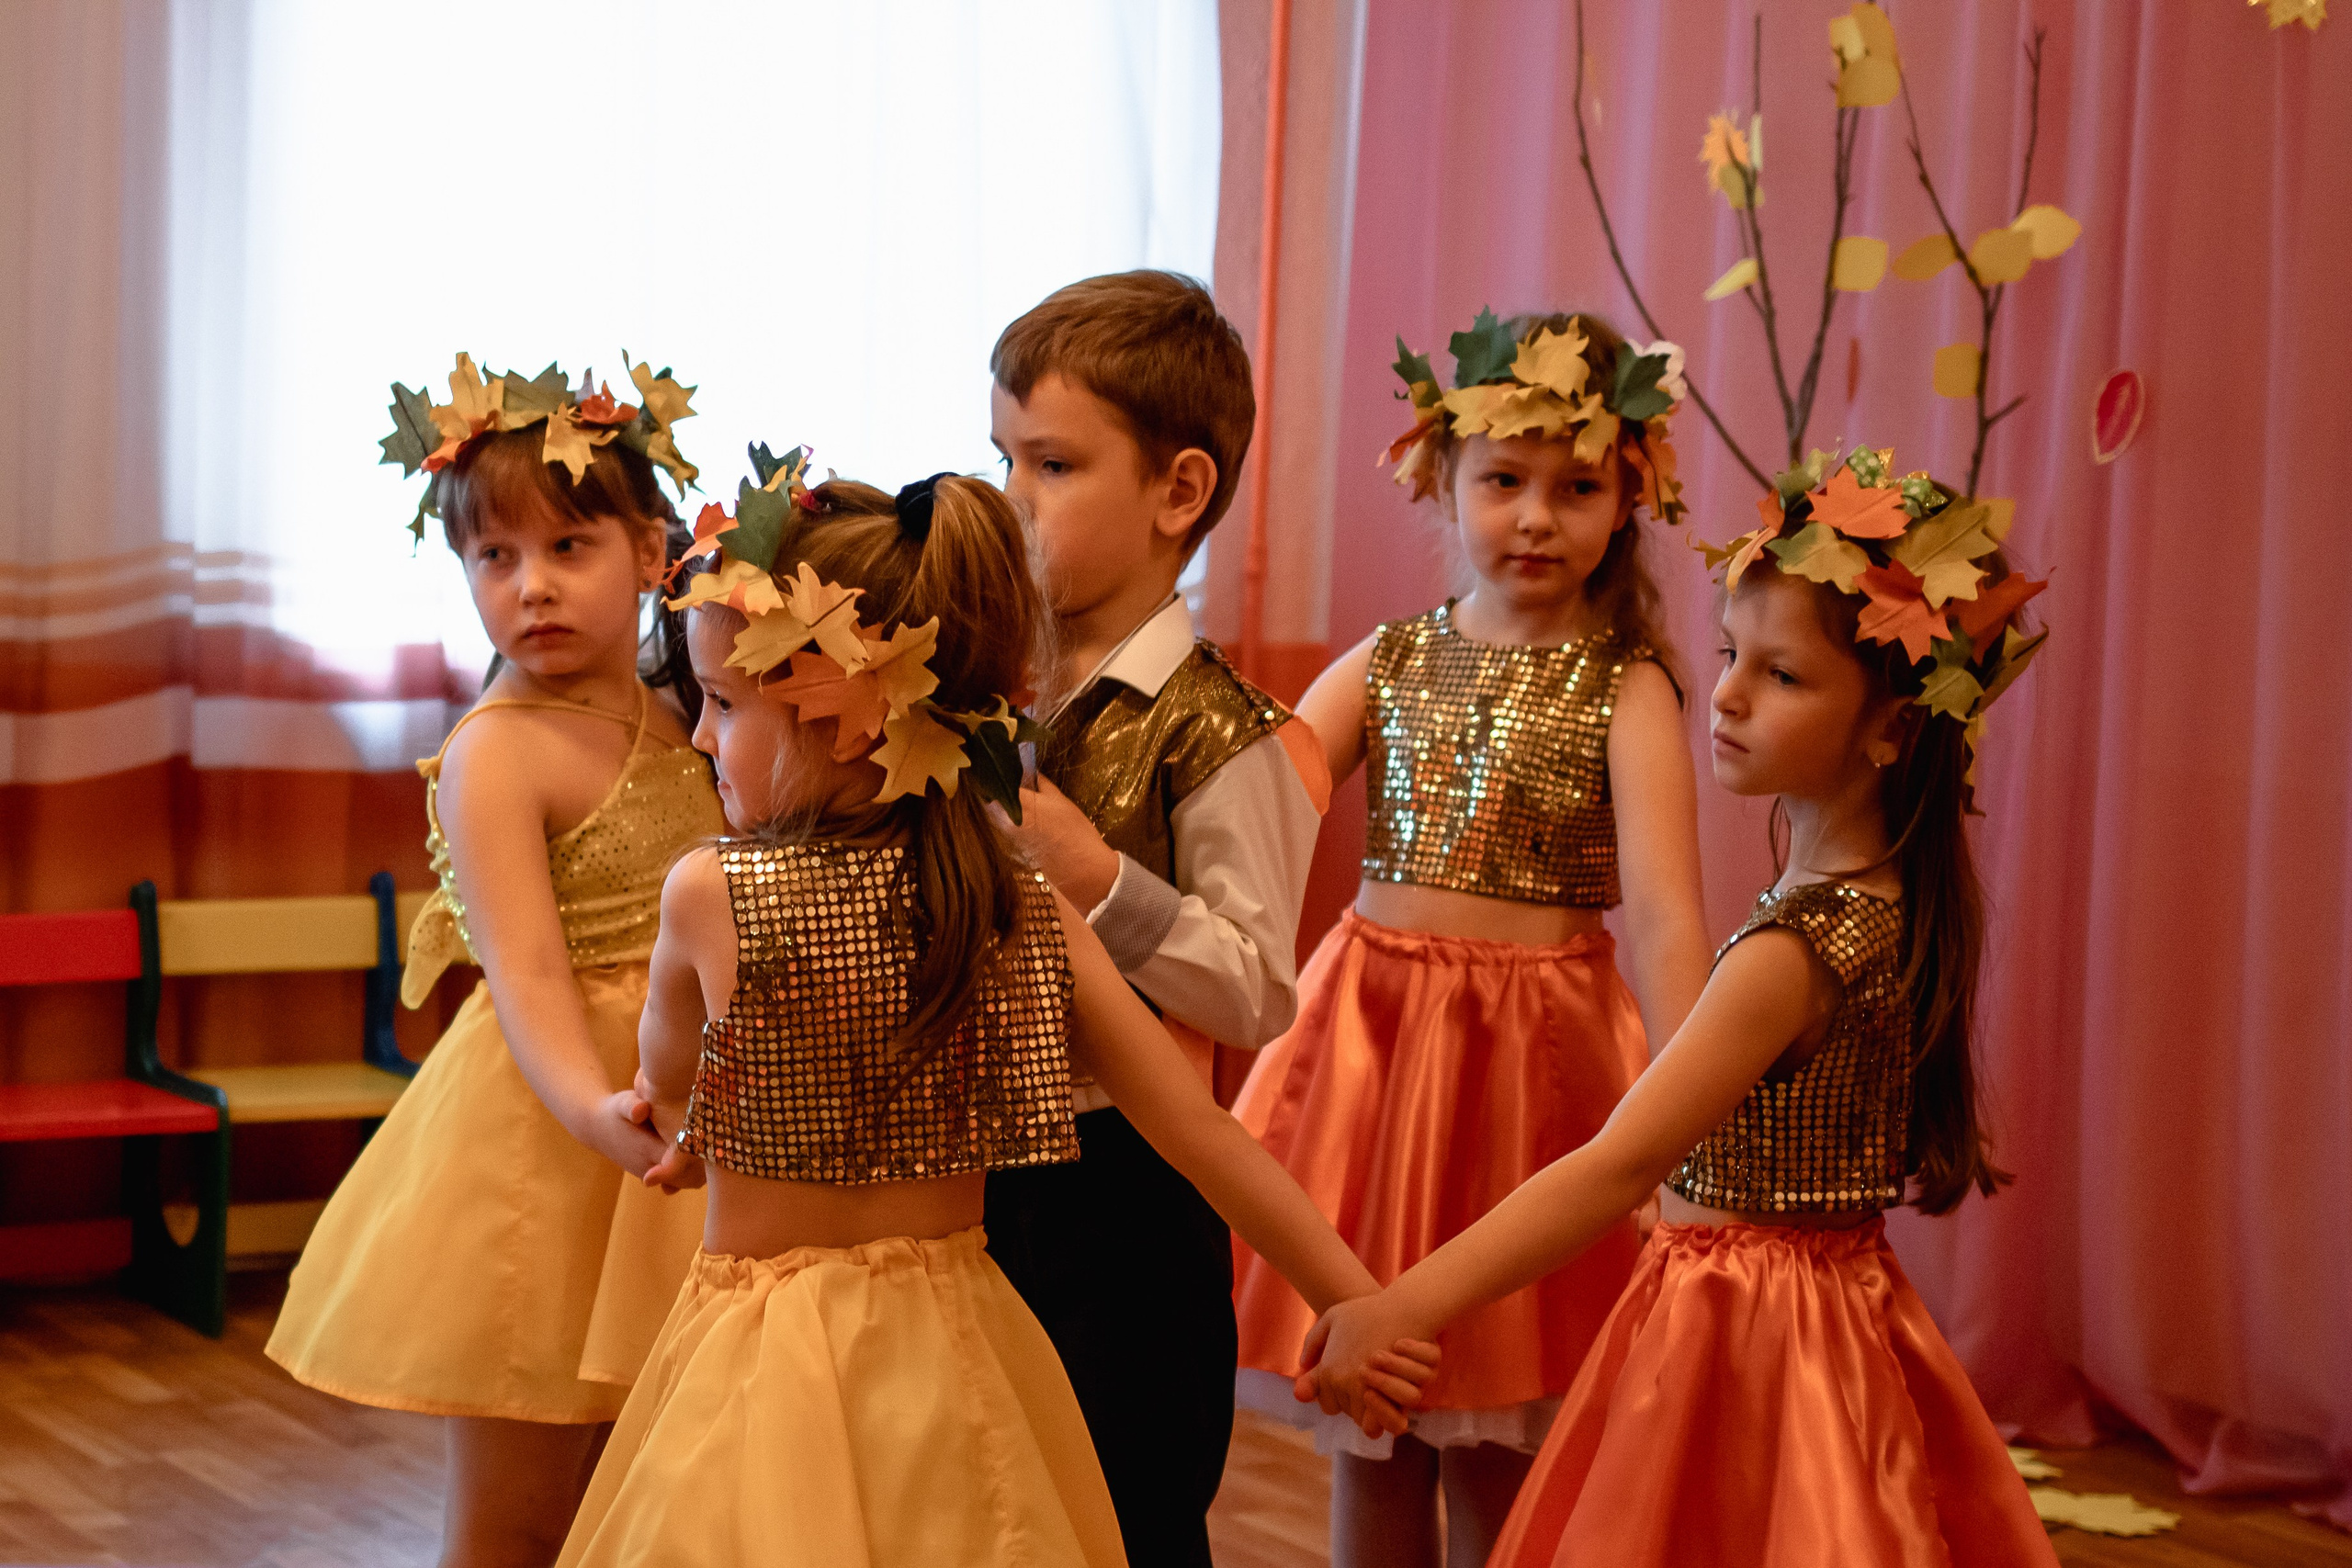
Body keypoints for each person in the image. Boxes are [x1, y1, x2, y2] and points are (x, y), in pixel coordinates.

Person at [556, 462, 1435, 1568]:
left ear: (847, 715)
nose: (699, 740)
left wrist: (674, 1123)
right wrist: (1350, 1299)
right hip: (956, 1346)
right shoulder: (1010, 899)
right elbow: (1197, 1130)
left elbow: (672, 1078)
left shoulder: (710, 894)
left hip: (768, 1353)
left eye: (725, 707)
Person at [1301, 446, 2059, 1566]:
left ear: (1894, 726)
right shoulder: (1879, 902)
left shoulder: (1792, 951)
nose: (1729, 694)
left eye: (1782, 676)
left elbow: (1617, 1164)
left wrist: (1400, 1306)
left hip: (1742, 1328)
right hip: (1816, 1306)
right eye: (1731, 654)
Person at [1228, 310, 1713, 1565]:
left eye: (1576, 487)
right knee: (1374, 1415)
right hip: (1371, 1058)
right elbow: (1254, 801)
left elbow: (1666, 917)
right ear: (1441, 478)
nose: (1536, 517)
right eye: (1504, 482)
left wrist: (1686, 1125)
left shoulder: (1628, 684)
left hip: (1531, 1083)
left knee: (1501, 1425)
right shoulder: (1389, 661)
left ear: (1630, 496)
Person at [267, 355, 720, 1567]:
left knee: (644, 1493)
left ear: (650, 550)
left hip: (681, 1106)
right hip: (552, 1136)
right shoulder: (498, 750)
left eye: (569, 546)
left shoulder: (686, 714)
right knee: (516, 1515)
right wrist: (593, 1112)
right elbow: (523, 973)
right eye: (495, 557)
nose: (533, 586)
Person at [983, 270, 1329, 1565]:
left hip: (1122, 1192)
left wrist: (1103, 881)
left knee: (1126, 1510)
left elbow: (1254, 989)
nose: (1012, 497)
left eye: (1053, 464)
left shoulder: (1225, 731)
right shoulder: (981, 686)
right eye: (1003, 457)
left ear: (1178, 492)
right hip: (969, 1161)